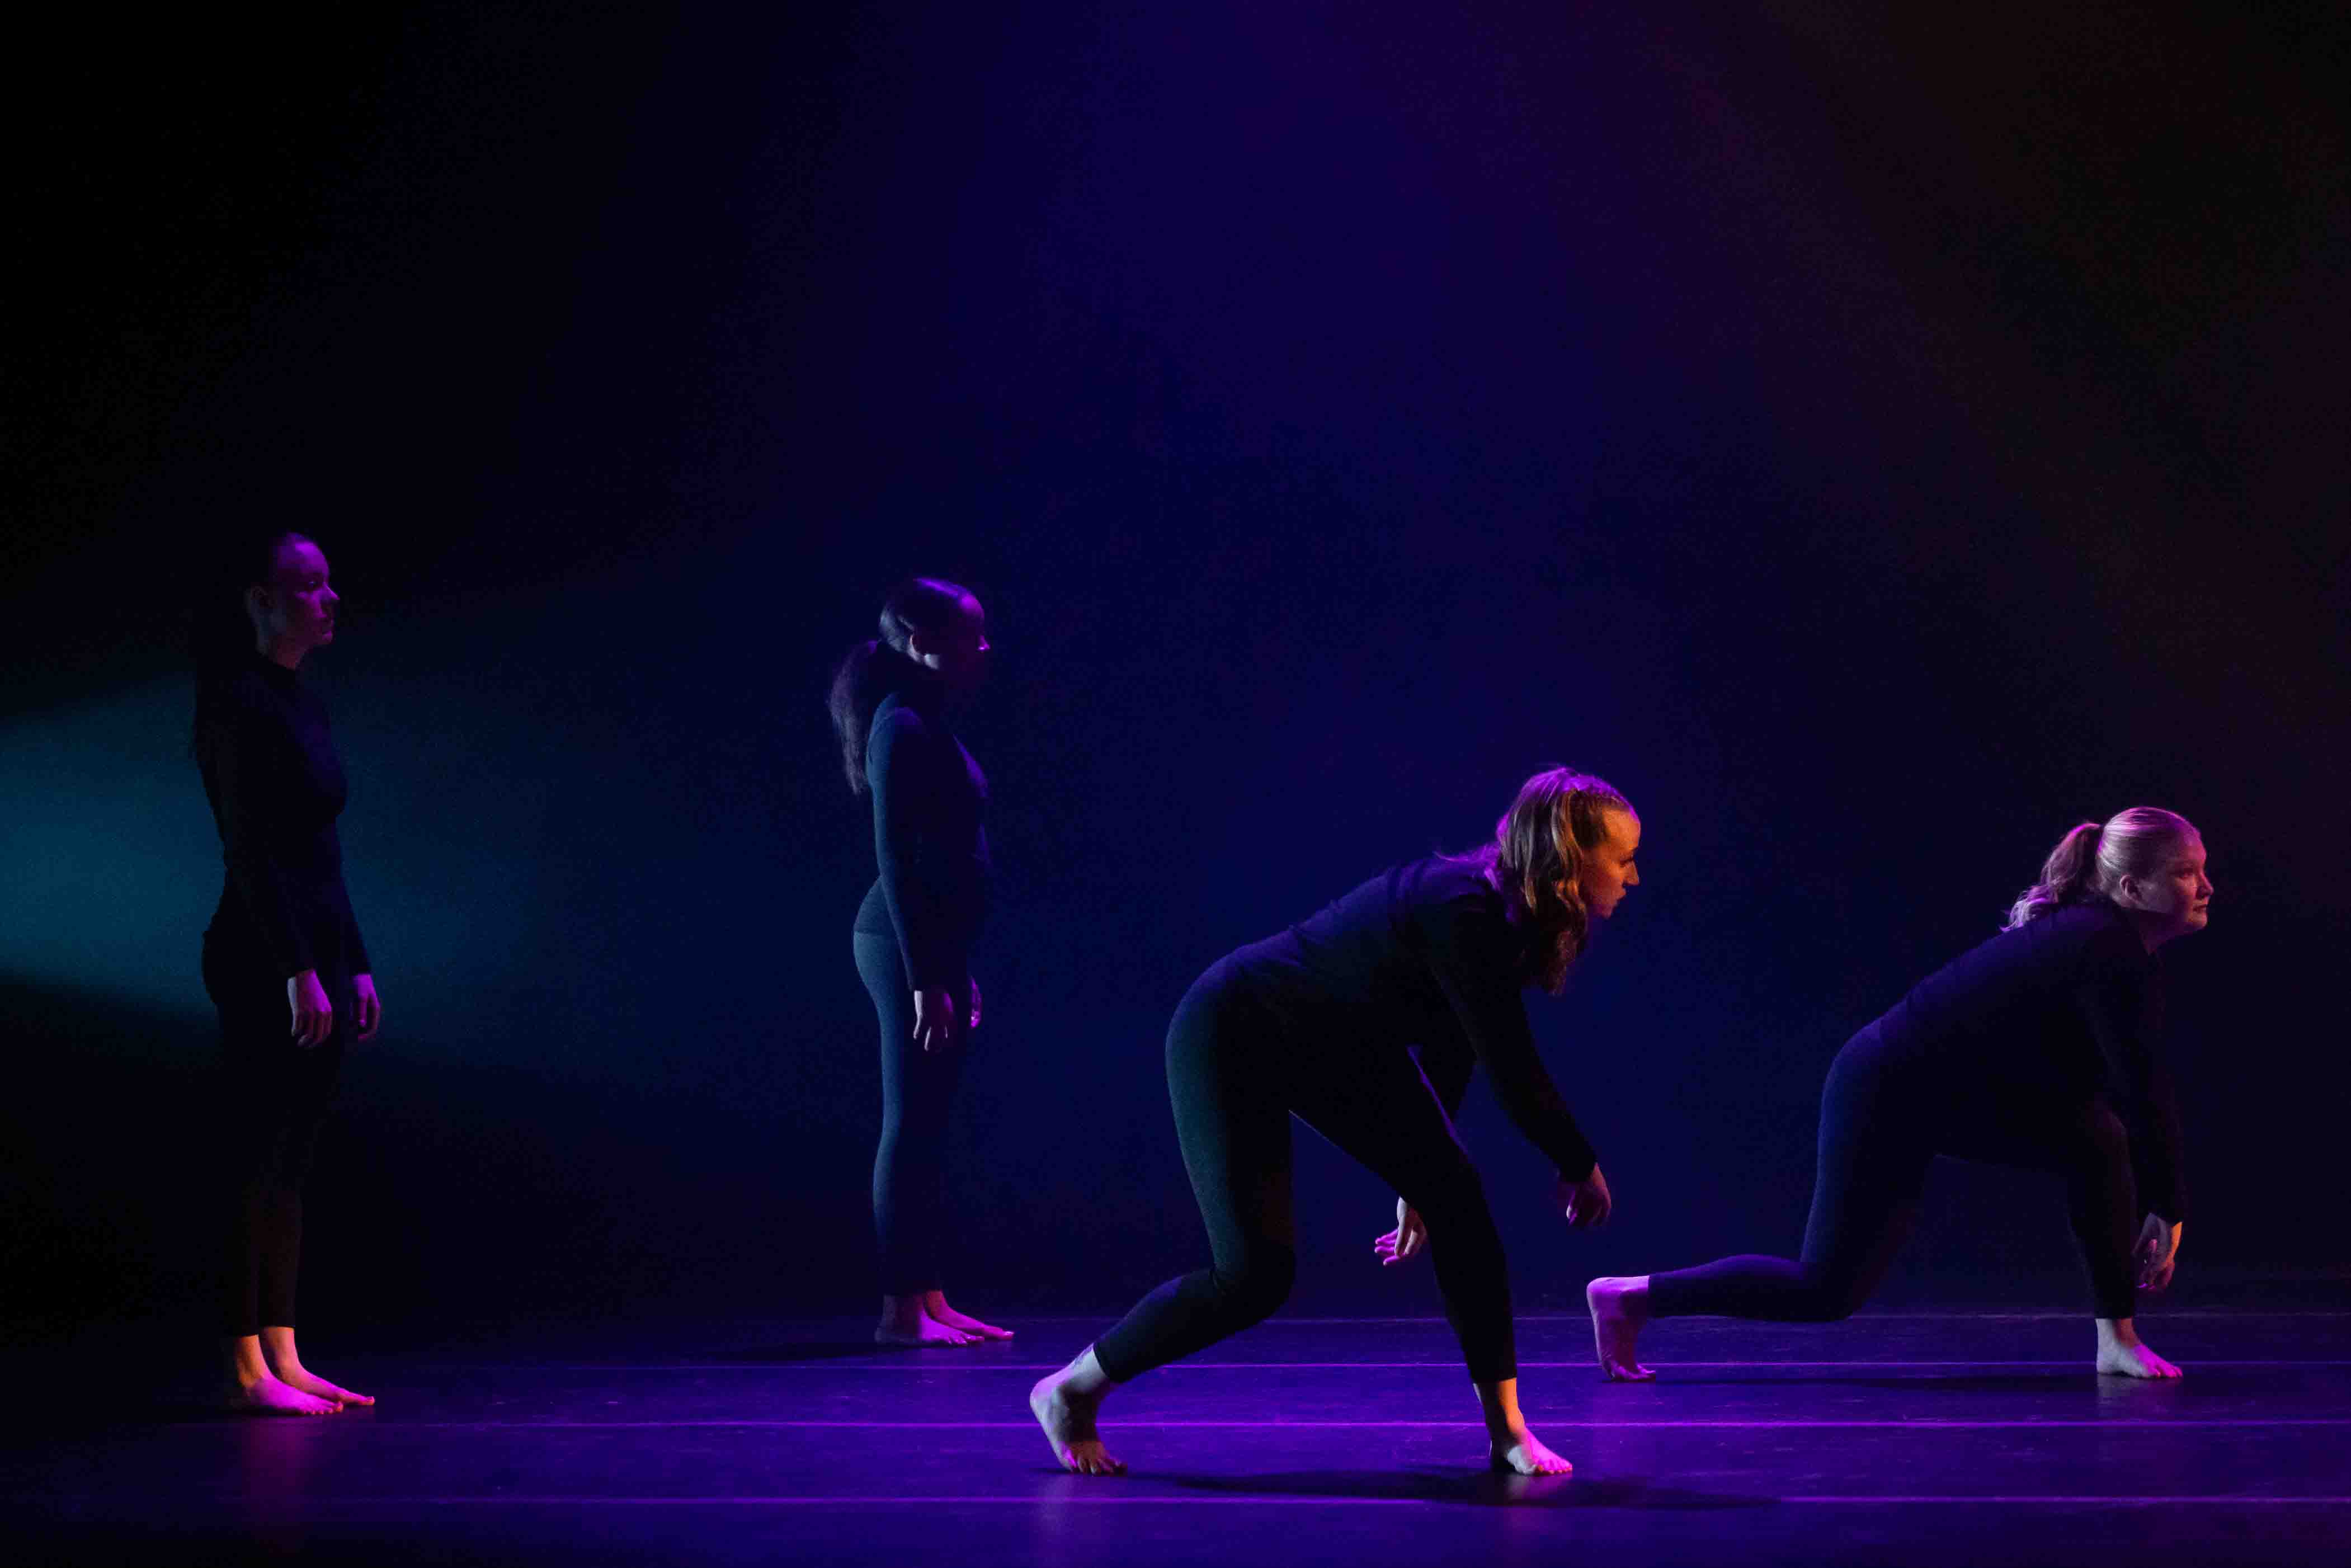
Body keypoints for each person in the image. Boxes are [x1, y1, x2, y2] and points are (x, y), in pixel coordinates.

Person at [1029, 768, 1642, 1477]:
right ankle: (1069, 1390)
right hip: (1234, 1030)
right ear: (1570, 857)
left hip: (1336, 1046)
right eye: (1623, 859)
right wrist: (1576, 1161)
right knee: (1254, 1277)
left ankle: (1508, 1430)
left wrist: (1423, 1171)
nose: (1632, 877)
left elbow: (1455, 1045)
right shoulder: (1462, 909)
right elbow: (1511, 1066)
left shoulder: (1505, 922)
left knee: (1457, 1200)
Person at [1587, 807, 2208, 1383]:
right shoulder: (2106, 946)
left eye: (2202, 869)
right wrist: (2168, 1206)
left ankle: (2115, 1337)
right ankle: (1631, 1296)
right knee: (1824, 1290)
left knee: (2094, 1136)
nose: (2206, 886)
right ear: (2131, 891)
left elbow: (2118, 1087)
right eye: (2186, 873)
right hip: (1886, 1089)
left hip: (1942, 1095)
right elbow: (2141, 1086)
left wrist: (2157, 1198)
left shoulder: (2104, 944)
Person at [193, 531, 384, 1415]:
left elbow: (322, 852)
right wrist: (297, 968)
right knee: (253, 1156)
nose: (328, 596)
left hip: (315, 959)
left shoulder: (307, 703)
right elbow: (252, 850)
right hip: (259, 959)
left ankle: (284, 1348)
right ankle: (242, 1365)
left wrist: (355, 964)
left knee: (293, 1162)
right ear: (262, 600)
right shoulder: (234, 702)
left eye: (327, 581)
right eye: (308, 584)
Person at [827, 577, 1010, 1346]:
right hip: (897, 943)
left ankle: (927, 1296)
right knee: (908, 1121)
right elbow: (897, 859)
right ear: (918, 638)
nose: (983, 647)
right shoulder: (899, 726)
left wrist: (950, 962)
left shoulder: (925, 721)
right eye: (970, 633)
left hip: (929, 945)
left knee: (929, 1123)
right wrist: (925, 973)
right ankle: (899, 1310)